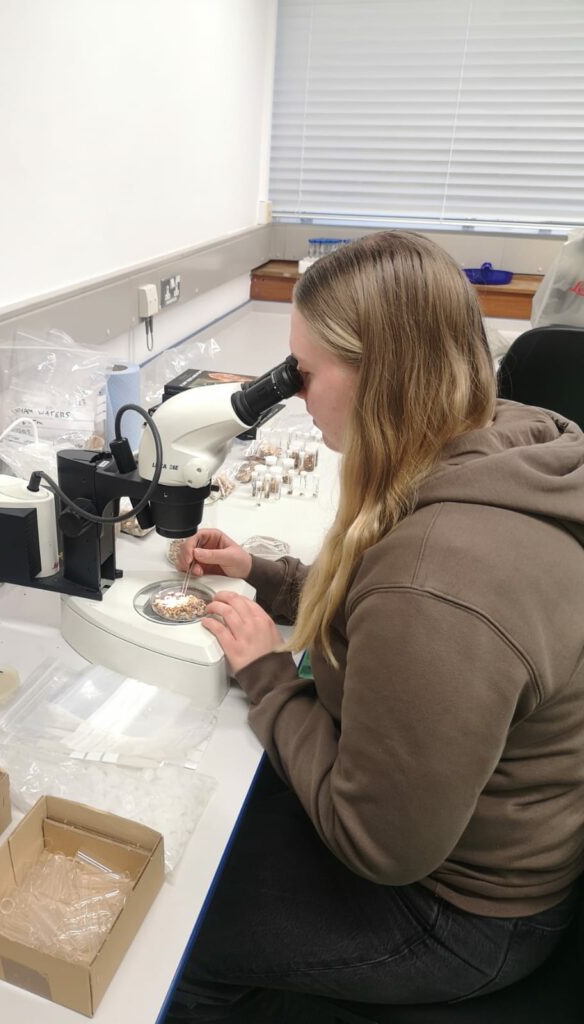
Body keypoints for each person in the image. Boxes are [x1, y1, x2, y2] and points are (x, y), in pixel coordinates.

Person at [165, 230, 584, 1022]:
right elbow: (390, 599)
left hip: (461, 912)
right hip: (480, 835)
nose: (292, 392)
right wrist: (270, 577)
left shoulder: (438, 583)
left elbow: (376, 843)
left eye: (305, 371)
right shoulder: (502, 436)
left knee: (168, 936)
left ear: (378, 377)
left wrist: (265, 673)